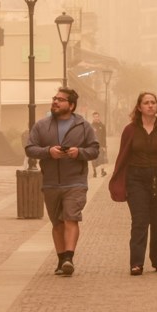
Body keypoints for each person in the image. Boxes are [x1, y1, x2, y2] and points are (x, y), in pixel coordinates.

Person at [25, 87, 100, 277]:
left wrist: (79, 153)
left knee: (70, 217)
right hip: (50, 182)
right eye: (54, 98)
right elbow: (29, 148)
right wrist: (48, 152)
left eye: (60, 99)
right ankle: (61, 261)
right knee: (57, 223)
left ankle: (69, 258)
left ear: (71, 105)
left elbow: (94, 150)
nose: (55, 102)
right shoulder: (42, 126)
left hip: (75, 181)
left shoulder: (84, 126)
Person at [108, 92, 157, 275]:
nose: (150, 106)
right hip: (136, 180)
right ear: (139, 107)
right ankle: (136, 262)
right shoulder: (130, 130)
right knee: (139, 221)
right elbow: (123, 156)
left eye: (153, 103)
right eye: (146, 103)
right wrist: (119, 180)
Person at [90, 111, 109, 177]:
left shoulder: (102, 126)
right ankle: (94, 172)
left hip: (100, 145)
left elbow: (104, 137)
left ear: (99, 117)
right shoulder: (91, 126)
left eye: (97, 116)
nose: (96, 118)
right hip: (93, 146)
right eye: (95, 117)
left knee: (101, 158)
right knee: (94, 159)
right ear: (93, 118)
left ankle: (102, 171)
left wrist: (104, 146)